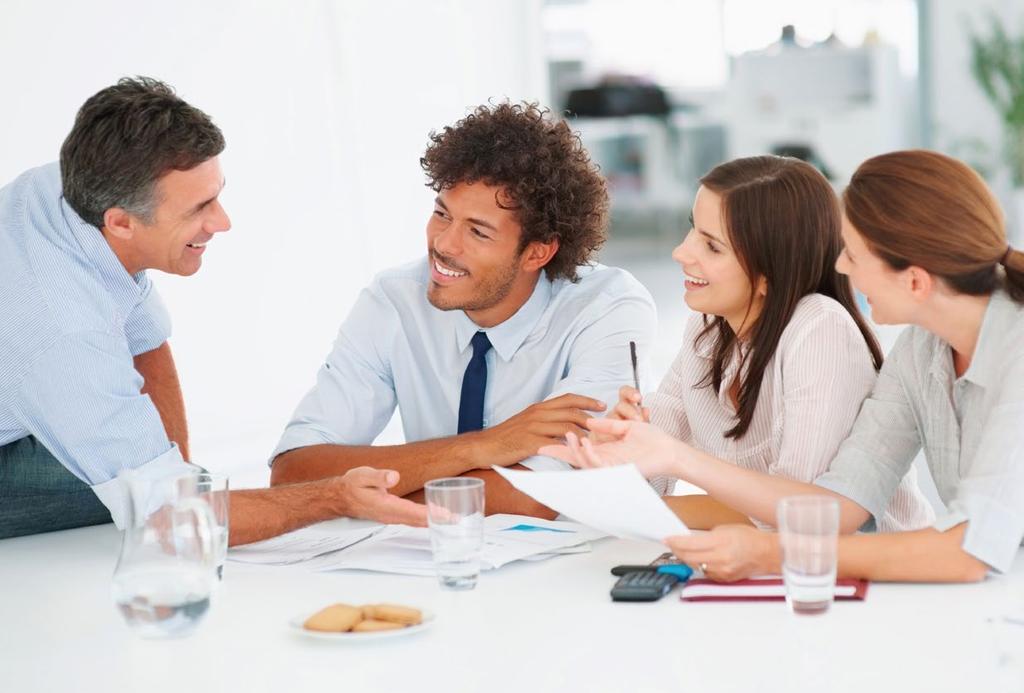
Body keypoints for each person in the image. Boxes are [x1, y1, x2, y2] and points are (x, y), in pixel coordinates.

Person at [548, 150, 1024, 583]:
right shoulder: (921, 351)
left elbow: (967, 552)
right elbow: (837, 507)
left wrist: (774, 552)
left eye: (853, 254)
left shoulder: (1013, 353)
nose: (839, 267)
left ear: (916, 281)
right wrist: (655, 455)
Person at [0, 77, 426, 544]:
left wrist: (177, 471)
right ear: (120, 222)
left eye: (217, 194)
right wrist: (334, 497)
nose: (223, 222)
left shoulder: (75, 185)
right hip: (35, 380)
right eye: (200, 208)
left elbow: (145, 341)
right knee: (157, 502)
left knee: (177, 484)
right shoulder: (64, 330)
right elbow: (173, 515)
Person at [270, 102, 657, 516]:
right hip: (421, 560)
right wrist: (484, 446)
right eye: (442, 214)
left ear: (537, 253)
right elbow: (293, 472)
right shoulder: (394, 301)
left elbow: (538, 496)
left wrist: (358, 496)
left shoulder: (607, 310)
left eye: (478, 231)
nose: (444, 244)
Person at [546, 155, 932, 530]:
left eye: (712, 246)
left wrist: (663, 490)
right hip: (769, 567)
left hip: (871, 577)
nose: (681, 252)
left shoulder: (819, 328)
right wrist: (620, 452)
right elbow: (651, 480)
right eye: (692, 228)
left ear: (769, 273)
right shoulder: (707, 330)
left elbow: (800, 512)